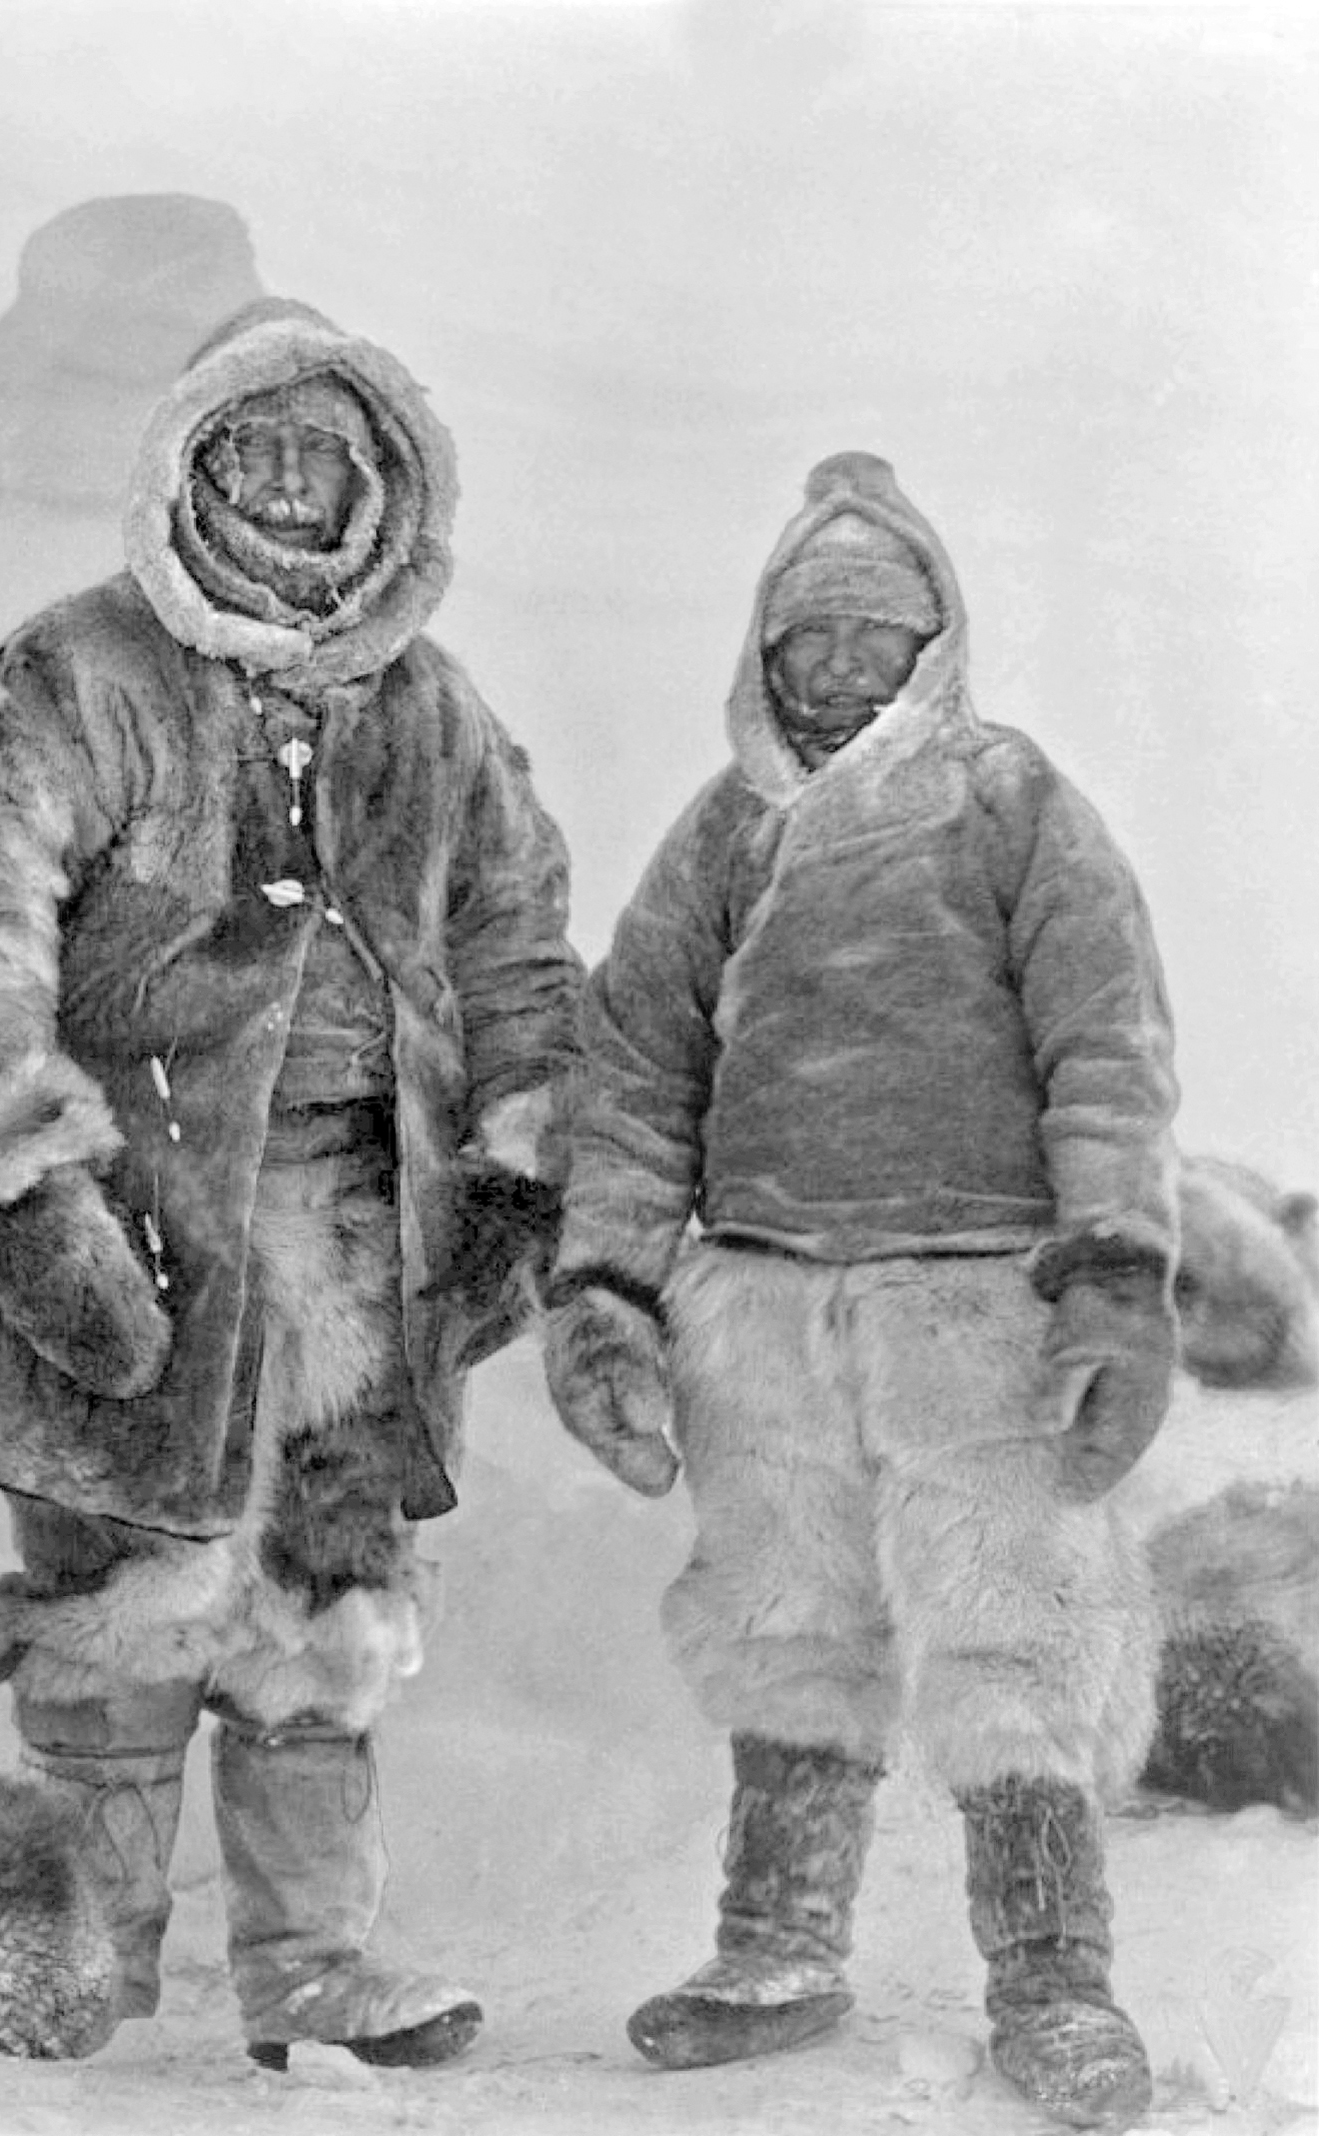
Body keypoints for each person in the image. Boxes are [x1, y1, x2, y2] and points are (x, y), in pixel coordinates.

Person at [0, 296, 581, 2068]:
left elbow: (515, 938)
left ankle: (314, 1974)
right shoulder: (75, 675)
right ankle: (82, 1955)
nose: (284, 488)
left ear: (383, 494)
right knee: (116, 1596)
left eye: (321, 461)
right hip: (146, 1225)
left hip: (365, 1225)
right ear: (188, 468)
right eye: (250, 451)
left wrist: (518, 1167)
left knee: (327, 1604)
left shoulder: (431, 711)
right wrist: (28, 1194)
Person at [541, 450, 1179, 2129]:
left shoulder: (1010, 800)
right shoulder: (724, 830)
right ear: (766, 650)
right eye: (807, 638)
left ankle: (1056, 1982)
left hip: (978, 1304)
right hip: (756, 1306)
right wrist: (606, 1288)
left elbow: (1104, 1044)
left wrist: (1114, 1276)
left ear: (933, 645)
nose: (837, 668)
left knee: (1014, 1638)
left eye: (872, 638)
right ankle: (776, 1943)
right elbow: (633, 1071)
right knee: (785, 1626)